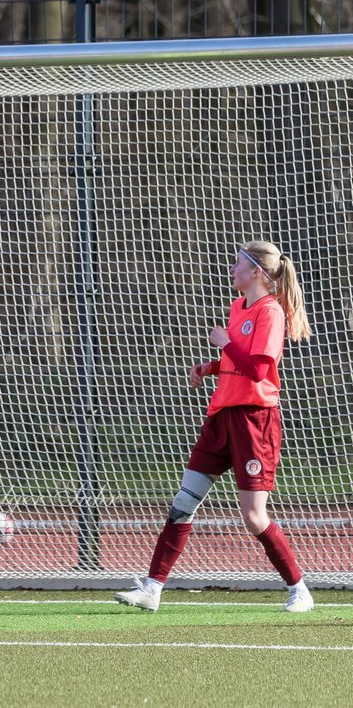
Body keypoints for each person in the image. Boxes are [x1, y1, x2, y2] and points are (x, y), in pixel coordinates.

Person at [114, 241, 315, 614]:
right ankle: (152, 588)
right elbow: (236, 362)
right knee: (182, 504)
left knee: (254, 516)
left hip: (255, 421)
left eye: (239, 262)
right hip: (221, 418)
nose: (232, 267)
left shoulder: (271, 311)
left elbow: (257, 369)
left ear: (257, 272)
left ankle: (299, 589)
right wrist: (209, 367)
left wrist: (225, 342)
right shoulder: (239, 306)